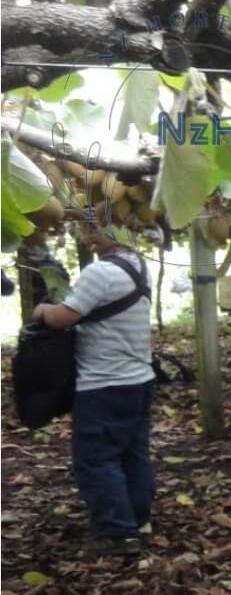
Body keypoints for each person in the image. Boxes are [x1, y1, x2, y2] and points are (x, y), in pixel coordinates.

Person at [32, 220, 156, 557]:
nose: (87, 237)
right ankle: (139, 519)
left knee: (95, 458)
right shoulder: (138, 266)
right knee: (133, 452)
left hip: (104, 382)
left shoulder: (99, 272)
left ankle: (116, 532)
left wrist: (42, 310)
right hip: (139, 378)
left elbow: (63, 318)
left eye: (92, 229)